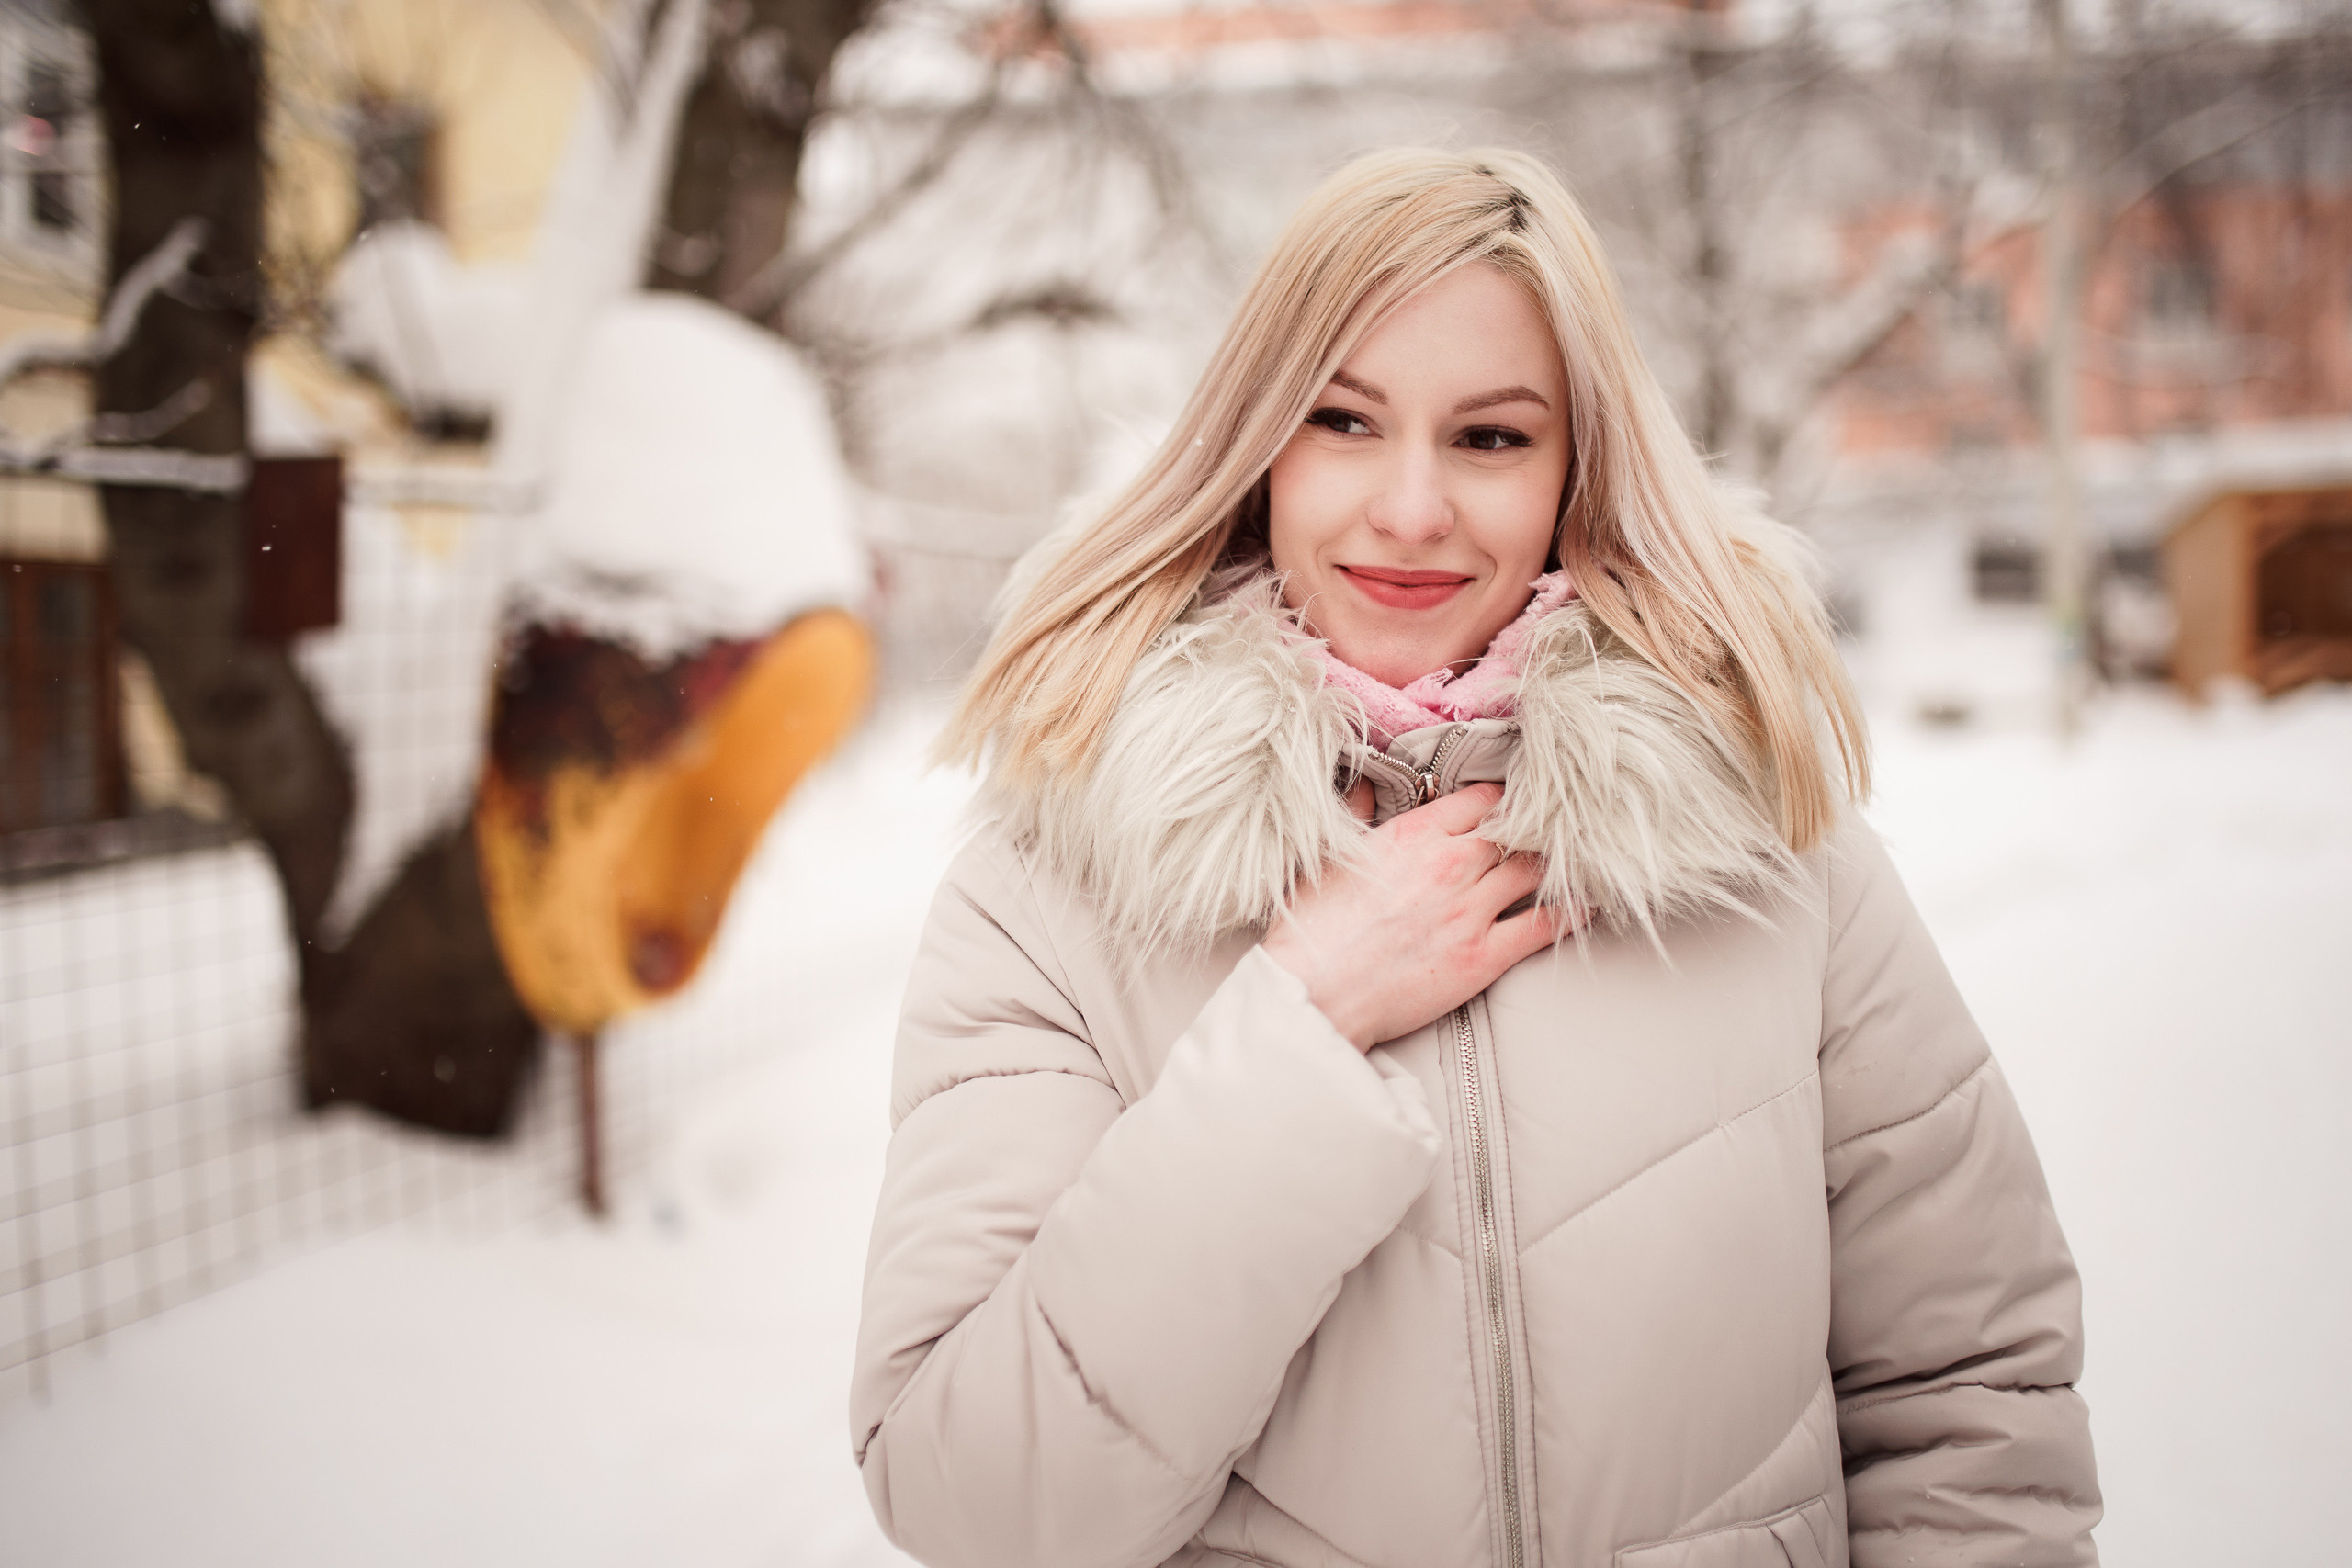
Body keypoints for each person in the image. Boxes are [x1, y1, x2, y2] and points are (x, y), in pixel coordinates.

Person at [850, 149, 2100, 1568]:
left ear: (1579, 469)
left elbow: (1970, 1407)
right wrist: (1298, 1035)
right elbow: (977, 1507)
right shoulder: (1054, 887)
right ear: (1257, 449)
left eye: (1492, 439)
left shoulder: (1771, 854)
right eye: (1342, 422)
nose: (1411, 509)